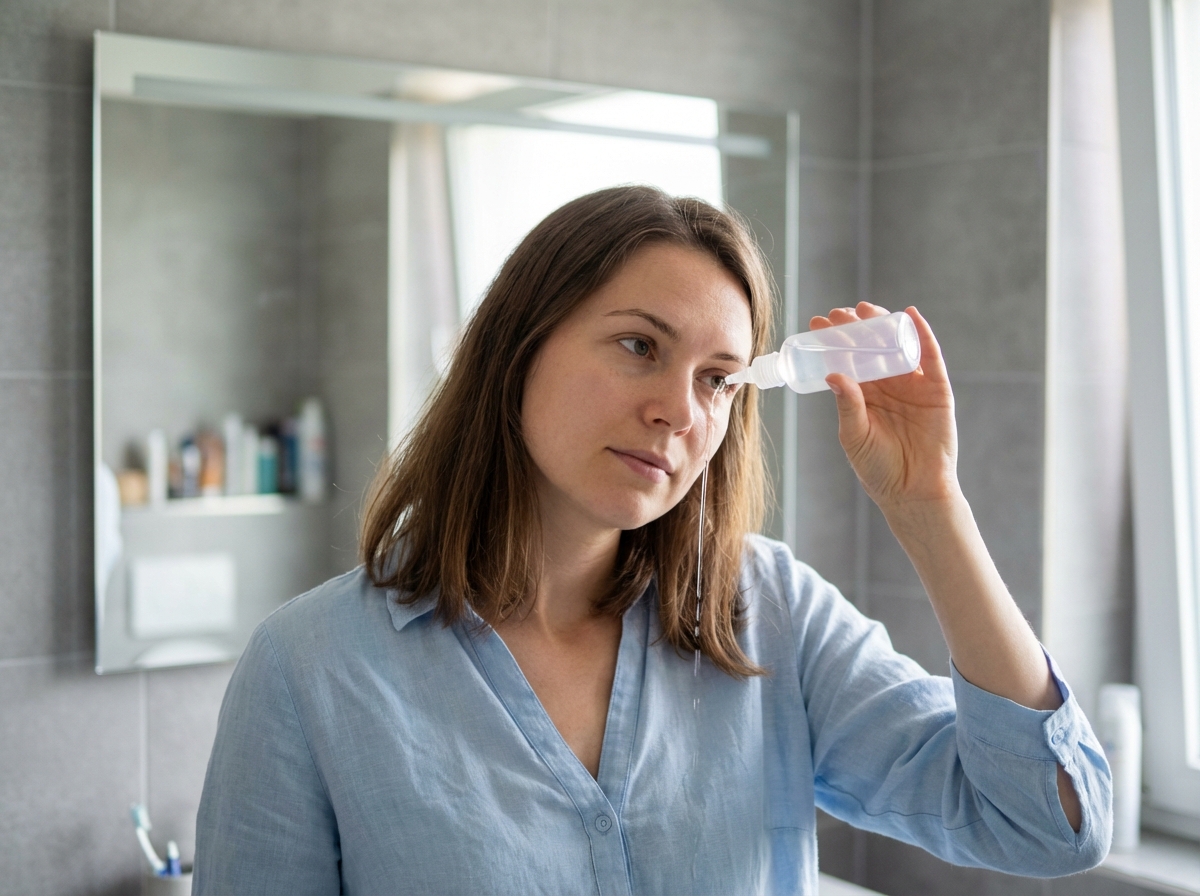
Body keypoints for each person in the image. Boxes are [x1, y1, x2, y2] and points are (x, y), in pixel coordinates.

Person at [193, 185, 1111, 895]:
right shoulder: (309, 670)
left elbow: (1050, 825)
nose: (678, 408)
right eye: (639, 346)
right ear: (519, 347)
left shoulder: (771, 616)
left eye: (719, 380)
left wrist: (930, 505)